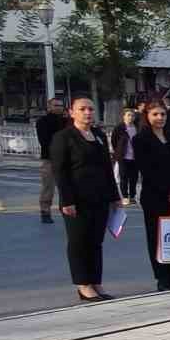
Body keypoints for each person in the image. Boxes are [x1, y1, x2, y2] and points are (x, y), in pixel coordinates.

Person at [50, 98, 122, 301]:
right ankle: (83, 284)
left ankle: (95, 281)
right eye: (82, 109)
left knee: (95, 242)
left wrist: (115, 196)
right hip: (76, 200)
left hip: (99, 198)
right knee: (79, 242)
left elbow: (107, 168)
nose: (87, 113)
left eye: (91, 109)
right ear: (72, 112)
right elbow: (60, 172)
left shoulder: (98, 135)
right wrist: (67, 201)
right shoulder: (63, 137)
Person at [133, 103, 170, 290]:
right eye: (155, 114)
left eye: (163, 114)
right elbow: (147, 170)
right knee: (157, 237)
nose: (160, 118)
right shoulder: (141, 139)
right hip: (155, 197)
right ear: (147, 116)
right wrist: (169, 192)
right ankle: (162, 278)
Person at [36, 97, 68, 224]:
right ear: (49, 107)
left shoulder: (67, 121)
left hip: (66, 158)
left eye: (61, 105)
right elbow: (44, 140)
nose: (59, 107)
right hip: (50, 159)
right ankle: (45, 211)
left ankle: (66, 210)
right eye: (56, 105)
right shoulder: (43, 121)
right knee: (48, 187)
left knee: (66, 186)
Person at [111, 108, 140, 206]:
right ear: (123, 116)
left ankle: (132, 196)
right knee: (124, 177)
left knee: (134, 178)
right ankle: (124, 196)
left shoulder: (137, 127)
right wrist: (118, 151)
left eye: (132, 116)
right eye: (128, 115)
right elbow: (114, 140)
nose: (131, 117)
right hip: (123, 157)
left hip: (135, 157)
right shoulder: (119, 128)